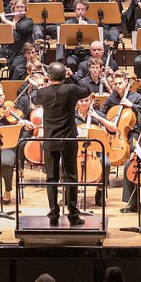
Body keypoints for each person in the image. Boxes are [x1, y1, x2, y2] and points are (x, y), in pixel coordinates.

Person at [38, 62, 92, 226]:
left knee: (51, 178)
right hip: (68, 139)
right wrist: (73, 75)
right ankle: (73, 215)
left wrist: (41, 84)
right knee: (70, 176)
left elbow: (35, 97)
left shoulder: (42, 92)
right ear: (64, 75)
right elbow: (86, 89)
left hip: (50, 139)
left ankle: (53, 214)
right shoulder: (71, 90)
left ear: (49, 76)